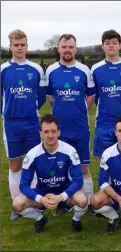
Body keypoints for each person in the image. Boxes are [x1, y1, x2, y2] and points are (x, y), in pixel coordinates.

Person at [45, 34, 96, 214]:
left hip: (80, 127)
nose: (67, 50)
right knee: (61, 166)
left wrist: (81, 108)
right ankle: (63, 203)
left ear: (75, 49)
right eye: (64, 46)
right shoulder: (50, 70)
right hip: (60, 130)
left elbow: (91, 95)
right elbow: (50, 96)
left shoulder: (84, 70)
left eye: (71, 47)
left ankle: (89, 202)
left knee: (83, 166)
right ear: (58, 48)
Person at [11, 114, 87, 233]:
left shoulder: (70, 151)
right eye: (46, 132)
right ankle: (40, 218)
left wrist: (61, 197)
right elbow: (24, 185)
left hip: (64, 193)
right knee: (17, 204)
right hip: (43, 193)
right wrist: (41, 199)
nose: (50, 135)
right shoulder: (32, 154)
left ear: (59, 132)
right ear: (40, 133)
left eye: (53, 131)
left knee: (82, 200)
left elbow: (78, 181)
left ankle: (76, 220)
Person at [1, 29, 46, 220]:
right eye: (16, 45)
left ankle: (34, 201)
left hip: (31, 122)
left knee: (33, 162)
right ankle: (17, 206)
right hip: (11, 123)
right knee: (15, 165)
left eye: (23, 44)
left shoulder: (36, 69)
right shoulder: (3, 69)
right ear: (10, 46)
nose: (19, 48)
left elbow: (42, 96)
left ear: (27, 45)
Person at [91, 29, 121, 158]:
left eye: (114, 42)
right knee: (105, 162)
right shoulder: (95, 69)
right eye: (107, 43)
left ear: (120, 45)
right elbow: (93, 95)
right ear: (102, 46)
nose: (111, 45)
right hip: (103, 123)